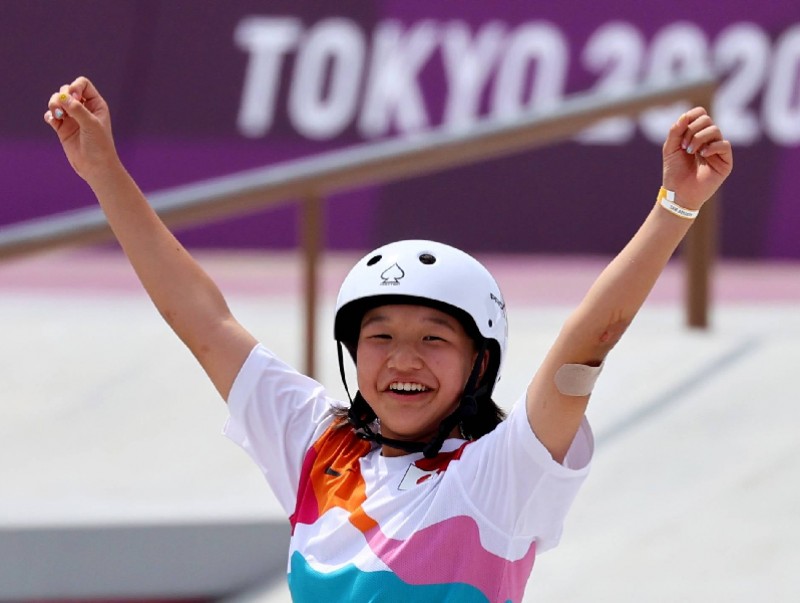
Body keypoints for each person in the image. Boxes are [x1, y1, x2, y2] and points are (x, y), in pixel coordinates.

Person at [45, 76, 732, 602]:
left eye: (434, 338)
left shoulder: (499, 476)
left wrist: (675, 206)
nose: (404, 359)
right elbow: (203, 321)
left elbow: (587, 346)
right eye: (380, 336)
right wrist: (104, 171)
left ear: (480, 364)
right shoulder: (317, 446)